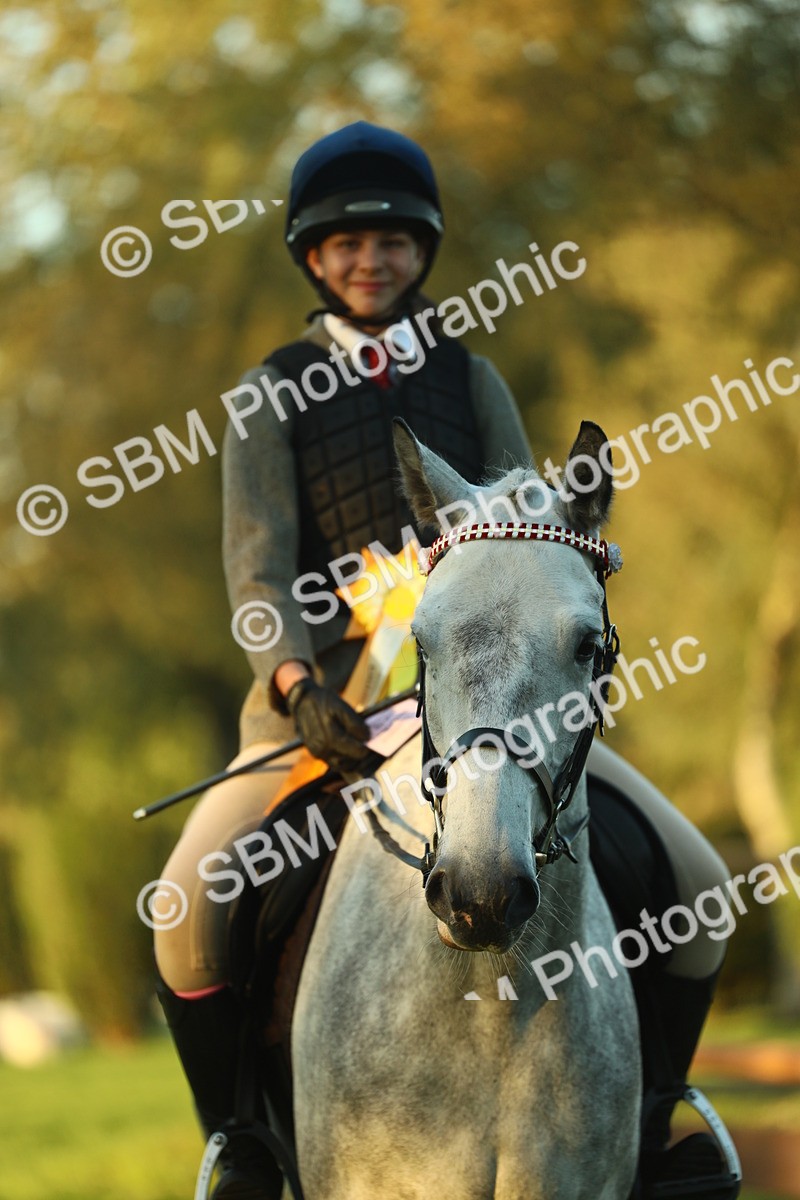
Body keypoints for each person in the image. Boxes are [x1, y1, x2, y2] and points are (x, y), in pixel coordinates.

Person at [153, 122, 739, 1200]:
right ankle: (241, 1139)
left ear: (422, 251)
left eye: (390, 240)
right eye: (344, 243)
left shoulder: (470, 379)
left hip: (491, 701)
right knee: (190, 907)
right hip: (320, 710)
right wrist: (293, 686)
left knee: (694, 877)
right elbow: (254, 576)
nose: (368, 259)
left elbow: (532, 536)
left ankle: (657, 1114)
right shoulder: (266, 394)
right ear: (310, 257)